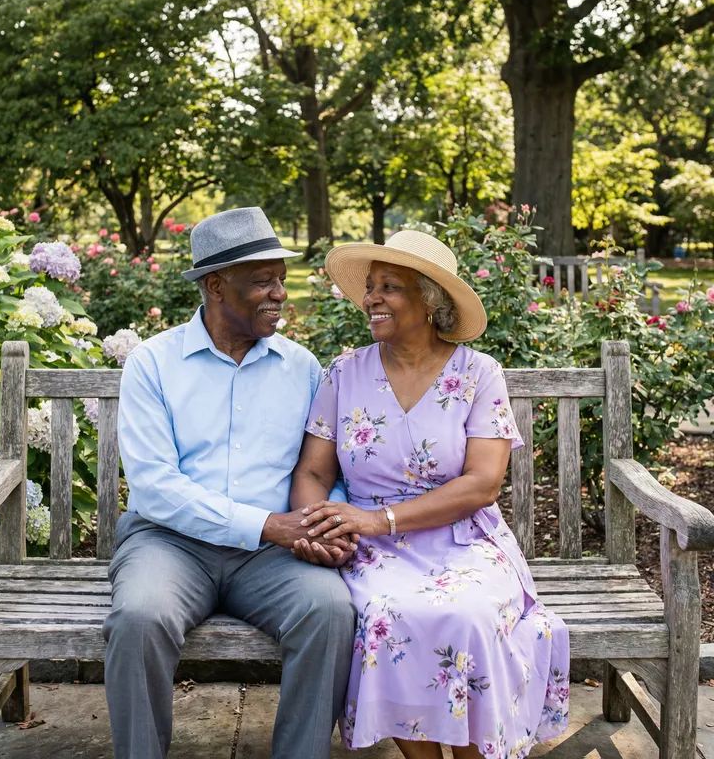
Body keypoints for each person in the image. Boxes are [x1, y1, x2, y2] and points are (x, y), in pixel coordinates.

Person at [289, 230, 570, 759]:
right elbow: (312, 471)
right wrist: (319, 527)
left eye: (389, 287)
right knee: (386, 615)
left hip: (462, 540)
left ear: (431, 302)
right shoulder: (345, 372)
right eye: (370, 287)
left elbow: (483, 482)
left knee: (469, 616)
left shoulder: (478, 373)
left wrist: (381, 520)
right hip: (371, 549)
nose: (371, 298)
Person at [103, 207, 357, 759]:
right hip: (170, 544)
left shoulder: (301, 368)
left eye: (281, 280)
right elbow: (154, 486)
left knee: (330, 610)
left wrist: (326, 525)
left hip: (271, 557)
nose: (280, 294)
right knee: (139, 616)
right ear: (216, 285)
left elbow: (322, 469)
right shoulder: (153, 363)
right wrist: (270, 525)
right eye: (263, 281)